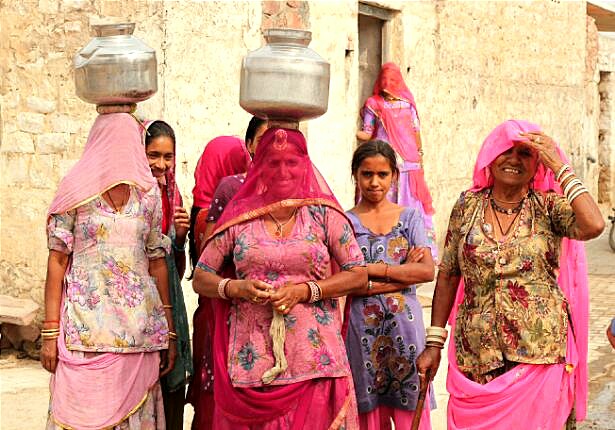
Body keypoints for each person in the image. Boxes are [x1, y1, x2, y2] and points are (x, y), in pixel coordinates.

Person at [416, 120, 605, 429]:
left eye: (525, 154)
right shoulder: (467, 205)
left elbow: (594, 225)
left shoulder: (547, 206)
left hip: (539, 354)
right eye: (506, 150)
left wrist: (559, 165)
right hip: (476, 355)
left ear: (537, 164)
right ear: (491, 156)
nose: (513, 160)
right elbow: (449, 274)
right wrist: (434, 343)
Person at [192, 127, 368, 429]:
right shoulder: (241, 218)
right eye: (273, 162)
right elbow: (201, 276)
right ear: (259, 166)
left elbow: (358, 274)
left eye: (292, 162)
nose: (283, 171)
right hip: (253, 365)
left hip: (314, 361)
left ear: (305, 165)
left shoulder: (322, 214)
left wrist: (306, 291)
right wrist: (236, 287)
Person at [41, 113, 177, 429]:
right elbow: (57, 260)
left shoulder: (148, 195)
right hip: (84, 335)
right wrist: (50, 331)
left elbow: (157, 261)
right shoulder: (75, 191)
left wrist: (169, 330)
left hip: (139, 335)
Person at [345, 140, 435, 430]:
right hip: (361, 332)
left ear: (394, 176)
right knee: (368, 411)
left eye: (382, 175)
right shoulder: (345, 223)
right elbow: (348, 282)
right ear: (355, 176)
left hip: (405, 330)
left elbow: (426, 272)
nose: (374, 182)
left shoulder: (409, 217)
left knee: (411, 406)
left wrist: (372, 271)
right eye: (366, 174)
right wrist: (399, 274)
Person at [186, 117, 265, 429]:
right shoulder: (225, 197)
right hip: (227, 302)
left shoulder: (201, 207)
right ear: (246, 150)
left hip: (214, 304)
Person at [357, 62, 437, 260]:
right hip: (410, 162)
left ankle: (382, 249)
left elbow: (366, 135)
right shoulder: (407, 105)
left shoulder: (374, 104)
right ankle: (423, 251)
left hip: (384, 161)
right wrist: (419, 156)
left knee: (381, 202)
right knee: (411, 206)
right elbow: (416, 132)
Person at [144, 119, 193, 429]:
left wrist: (178, 238)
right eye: (153, 155)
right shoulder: (131, 195)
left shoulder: (175, 198)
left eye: (167, 156)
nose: (160, 164)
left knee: (169, 380)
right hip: (139, 301)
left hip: (169, 301)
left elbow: (178, 269)